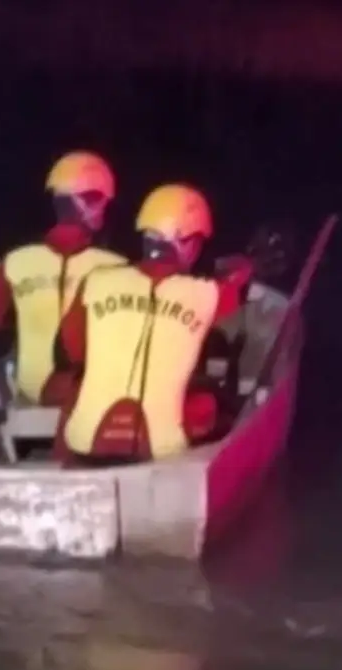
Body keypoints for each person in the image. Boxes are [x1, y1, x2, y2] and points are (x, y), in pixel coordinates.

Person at [52, 183, 255, 464]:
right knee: (210, 401)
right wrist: (246, 268)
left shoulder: (96, 282)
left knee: (76, 388)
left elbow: (69, 352)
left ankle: (60, 465)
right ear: (188, 245)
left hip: (87, 445)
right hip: (162, 449)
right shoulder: (207, 294)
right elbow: (237, 286)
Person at [0, 151, 127, 406]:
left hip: (31, 394)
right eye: (100, 201)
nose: (104, 209)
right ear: (86, 203)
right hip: (88, 401)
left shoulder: (15, 261)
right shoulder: (117, 267)